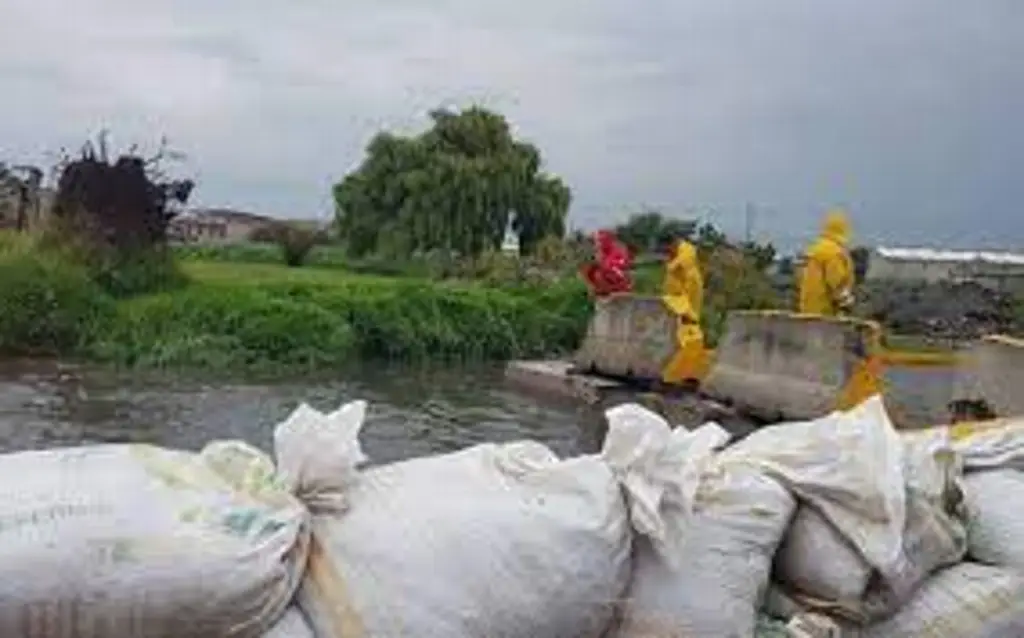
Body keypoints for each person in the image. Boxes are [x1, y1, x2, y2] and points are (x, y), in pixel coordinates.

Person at [660, 239, 708, 385]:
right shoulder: (678, 260)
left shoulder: (685, 259)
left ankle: (682, 373)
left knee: (688, 335)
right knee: (685, 336)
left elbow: (680, 271)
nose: (666, 254)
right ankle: (685, 373)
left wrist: (681, 308)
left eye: (667, 249)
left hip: (686, 303)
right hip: (679, 302)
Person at [798, 209, 856, 316]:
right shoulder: (834, 253)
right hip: (825, 314)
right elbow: (837, 285)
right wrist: (848, 304)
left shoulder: (815, 250)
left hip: (807, 312)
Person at [580, 230, 633, 297]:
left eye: (600, 241)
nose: (598, 244)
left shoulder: (618, 250)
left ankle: (607, 290)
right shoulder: (602, 253)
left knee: (598, 273)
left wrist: (602, 264)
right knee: (587, 268)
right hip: (609, 278)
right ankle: (599, 290)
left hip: (618, 279)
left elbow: (621, 266)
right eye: (597, 241)